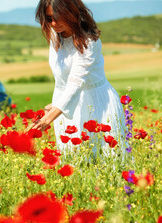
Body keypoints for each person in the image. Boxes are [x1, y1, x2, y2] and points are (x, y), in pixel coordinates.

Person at [27, 0, 126, 156]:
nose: (53, 23)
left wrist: (48, 119)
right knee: (73, 160)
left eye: (58, 17)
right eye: (49, 18)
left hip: (97, 104)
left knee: (109, 160)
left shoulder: (88, 41)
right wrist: (55, 103)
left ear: (71, 13)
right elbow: (63, 79)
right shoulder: (55, 36)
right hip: (66, 107)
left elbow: (76, 82)